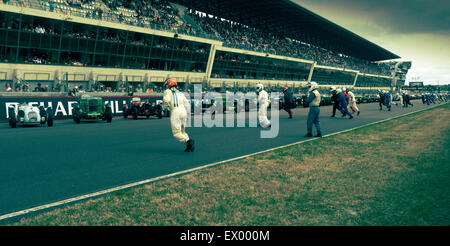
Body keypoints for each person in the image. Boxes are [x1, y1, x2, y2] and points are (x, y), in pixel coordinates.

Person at [163, 78, 194, 152]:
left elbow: (166, 101)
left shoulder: (167, 91)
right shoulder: (180, 93)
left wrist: (165, 108)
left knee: (176, 133)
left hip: (175, 112)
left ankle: (188, 141)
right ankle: (189, 146)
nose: (166, 86)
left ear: (169, 84)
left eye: (167, 85)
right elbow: (187, 104)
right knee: (183, 131)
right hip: (183, 111)